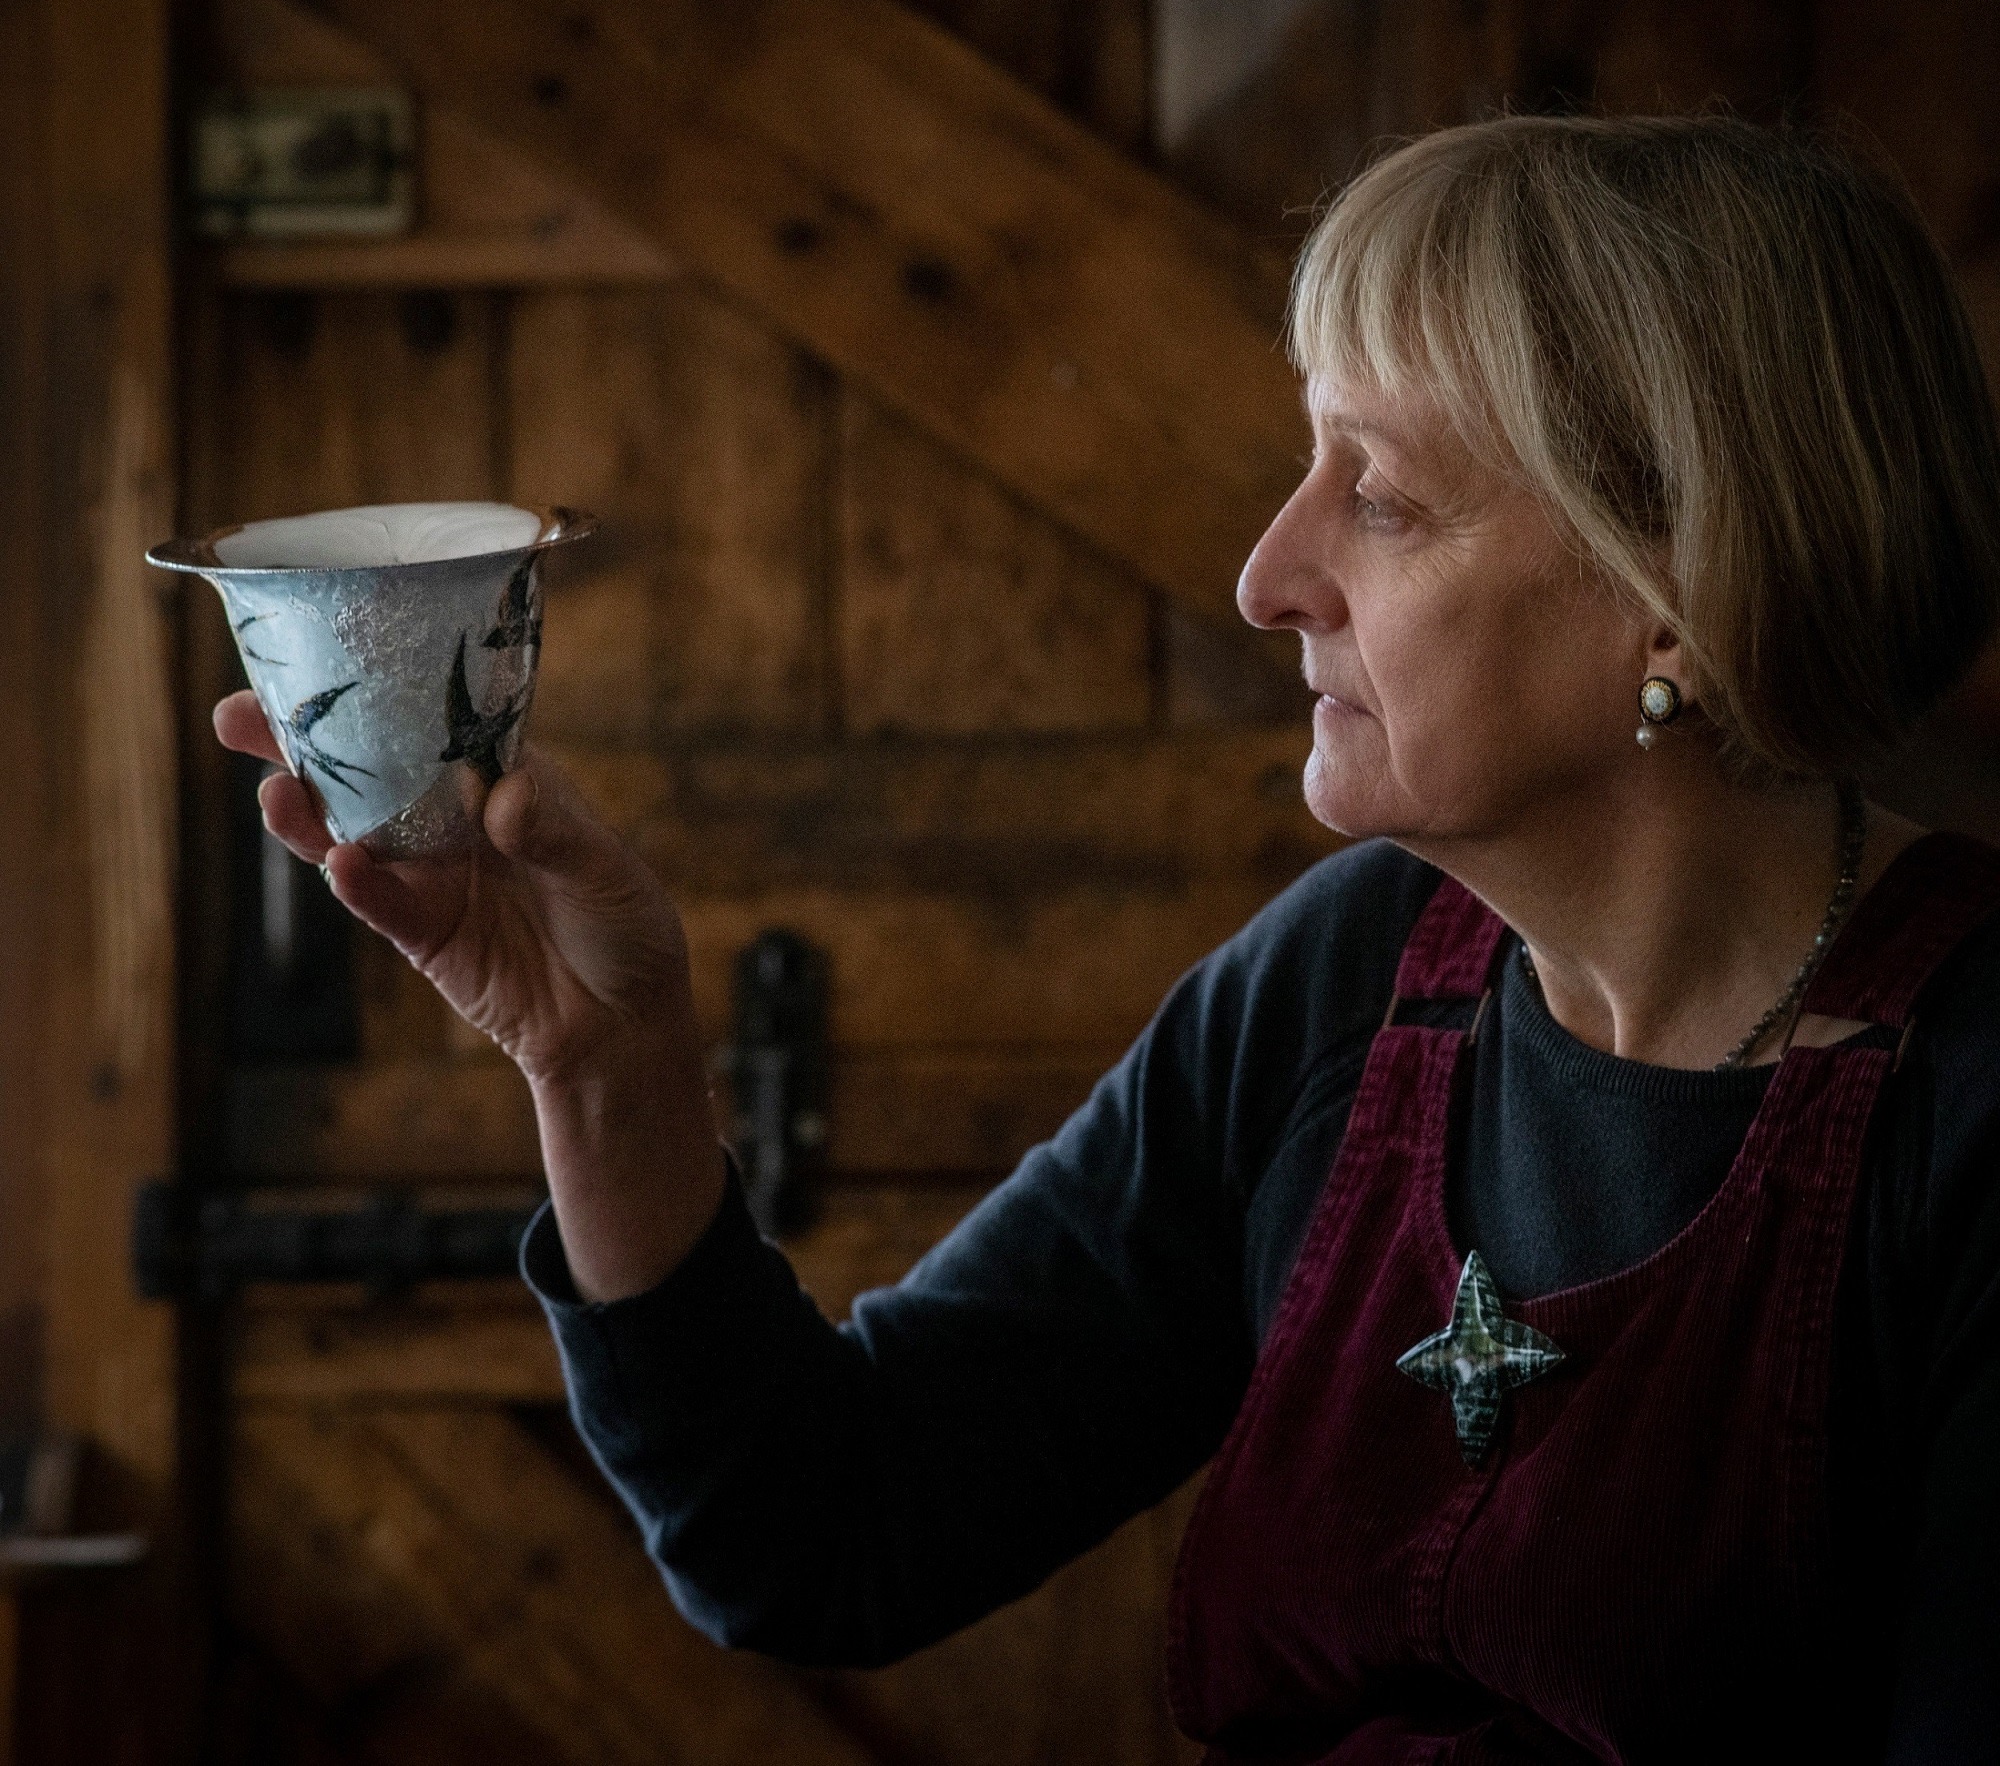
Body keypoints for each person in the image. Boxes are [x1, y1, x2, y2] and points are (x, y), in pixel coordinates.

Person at [219, 115, 2000, 1762]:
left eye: (1376, 494)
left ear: (1670, 582)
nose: (1264, 574)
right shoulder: (1357, 977)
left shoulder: (1973, 1094)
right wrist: (604, 1064)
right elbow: (824, 1529)